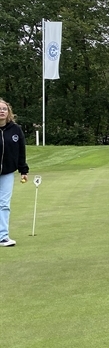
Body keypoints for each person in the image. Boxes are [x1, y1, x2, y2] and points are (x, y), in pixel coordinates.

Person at [0, 99, 29, 247]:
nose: (2, 111)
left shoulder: (15, 129)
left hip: (7, 172)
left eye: (4, 108)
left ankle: (3, 236)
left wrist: (23, 169)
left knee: (4, 204)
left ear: (8, 112)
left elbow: (20, 151)